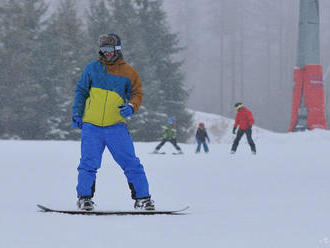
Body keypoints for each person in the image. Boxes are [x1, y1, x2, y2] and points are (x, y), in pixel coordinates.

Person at [71, 33, 154, 211]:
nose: (107, 53)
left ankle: (143, 199)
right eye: (104, 49)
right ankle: (84, 198)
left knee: (131, 163)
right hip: (91, 126)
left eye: (110, 49)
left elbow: (137, 94)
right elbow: (81, 91)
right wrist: (77, 113)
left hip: (116, 126)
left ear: (117, 49)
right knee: (88, 163)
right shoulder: (92, 68)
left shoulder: (128, 72)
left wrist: (132, 106)